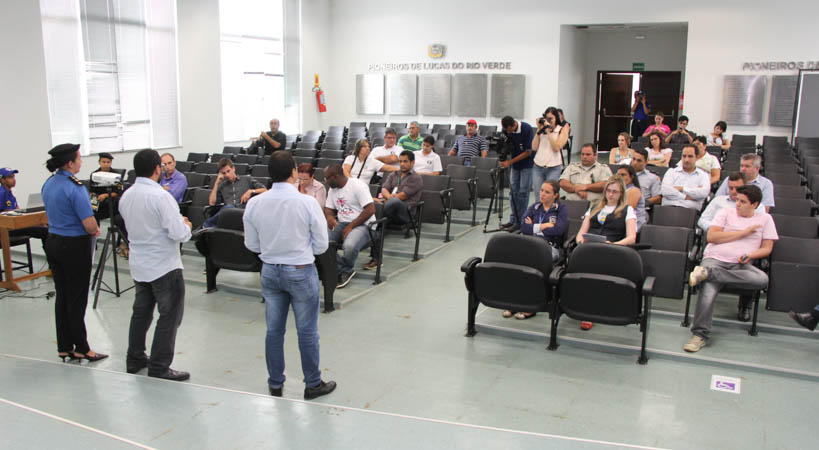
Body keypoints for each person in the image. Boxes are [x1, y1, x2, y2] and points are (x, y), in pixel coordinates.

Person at [243, 152, 336, 400]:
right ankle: (312, 384)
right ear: (294, 172)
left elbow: (252, 244)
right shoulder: (307, 203)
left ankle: (275, 383)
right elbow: (321, 245)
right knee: (307, 332)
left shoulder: (255, 203)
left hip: (270, 270)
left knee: (274, 331)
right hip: (300, 270)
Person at [119, 150, 192, 381]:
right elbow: (179, 233)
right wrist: (186, 225)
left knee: (141, 314)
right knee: (169, 316)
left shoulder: (127, 195)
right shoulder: (161, 197)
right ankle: (159, 366)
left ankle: (135, 358)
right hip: (163, 266)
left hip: (140, 264)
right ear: (157, 169)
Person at [684, 185, 777, 353]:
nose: (737, 204)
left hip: (741, 265)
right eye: (737, 200)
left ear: (755, 204)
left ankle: (708, 274)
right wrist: (743, 233)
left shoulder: (765, 219)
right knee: (707, 292)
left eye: (743, 202)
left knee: (762, 279)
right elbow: (712, 236)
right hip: (715, 259)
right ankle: (699, 335)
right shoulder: (725, 213)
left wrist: (751, 254)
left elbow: (767, 248)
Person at [41, 143, 107, 363]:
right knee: (77, 298)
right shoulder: (75, 187)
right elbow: (89, 224)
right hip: (74, 246)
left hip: (53, 241)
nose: (81, 162)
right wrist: (95, 229)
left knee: (63, 296)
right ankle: (82, 348)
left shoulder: (49, 183)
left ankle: (65, 346)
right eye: (79, 158)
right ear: (70, 163)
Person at [575, 176, 638, 330]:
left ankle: (590, 311)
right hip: (590, 248)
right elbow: (581, 233)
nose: (610, 194)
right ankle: (583, 307)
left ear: (621, 194)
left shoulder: (627, 210)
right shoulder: (594, 206)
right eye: (608, 191)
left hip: (612, 250)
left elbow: (631, 238)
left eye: (615, 192)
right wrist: (580, 242)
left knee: (596, 270)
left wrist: (614, 245)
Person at [503, 180, 567, 320]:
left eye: (547, 192)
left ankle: (530, 306)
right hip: (531, 245)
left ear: (555, 195)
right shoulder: (535, 207)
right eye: (542, 190)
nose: (542, 194)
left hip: (550, 248)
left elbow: (559, 230)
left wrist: (534, 227)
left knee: (531, 262)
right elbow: (524, 227)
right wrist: (544, 226)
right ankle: (514, 302)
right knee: (515, 260)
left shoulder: (561, 209)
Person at [323, 165, 376, 289]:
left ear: (335, 177)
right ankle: (343, 268)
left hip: (364, 224)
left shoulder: (358, 186)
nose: (325, 181)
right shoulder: (333, 189)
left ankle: (344, 270)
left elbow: (370, 209)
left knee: (349, 246)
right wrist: (330, 217)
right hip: (342, 223)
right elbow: (328, 208)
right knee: (321, 241)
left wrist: (351, 226)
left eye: (326, 178)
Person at [203, 158, 267, 228]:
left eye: (228, 171)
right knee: (228, 208)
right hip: (228, 216)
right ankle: (209, 227)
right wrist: (216, 183)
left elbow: (265, 190)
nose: (227, 175)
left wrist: (251, 191)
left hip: (242, 213)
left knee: (228, 208)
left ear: (233, 168)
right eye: (224, 173)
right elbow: (212, 203)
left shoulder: (246, 179)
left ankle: (206, 225)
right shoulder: (222, 186)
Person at [499, 116, 535, 232]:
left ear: (514, 125)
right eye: (507, 131)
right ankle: (513, 219)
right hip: (515, 165)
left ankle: (520, 221)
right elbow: (507, 144)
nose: (509, 133)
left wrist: (510, 162)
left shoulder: (527, 129)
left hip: (527, 165)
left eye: (510, 130)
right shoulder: (506, 130)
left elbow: (528, 151)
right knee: (513, 192)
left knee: (523, 193)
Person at [698, 172, 764, 231]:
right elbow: (702, 220)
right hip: (719, 235)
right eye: (731, 188)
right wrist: (716, 228)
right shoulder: (718, 200)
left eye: (737, 188)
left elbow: (760, 225)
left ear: (746, 186)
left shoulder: (755, 205)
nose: (733, 191)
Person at [0, 168, 48, 247]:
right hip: (7, 228)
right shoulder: (1, 193)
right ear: (2, 180)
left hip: (14, 225)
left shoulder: (10, 193)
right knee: (44, 231)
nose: (14, 179)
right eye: (10, 177)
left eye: (13, 177)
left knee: (44, 225)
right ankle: (51, 254)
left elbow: (16, 210)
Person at [661, 145, 711, 210]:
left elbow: (703, 193)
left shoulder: (703, 175)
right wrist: (685, 197)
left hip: (690, 212)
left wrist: (682, 189)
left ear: (697, 157)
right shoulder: (671, 172)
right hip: (668, 209)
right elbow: (665, 191)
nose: (686, 160)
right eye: (684, 156)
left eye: (690, 156)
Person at [532, 107, 570, 191]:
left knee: (550, 193)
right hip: (538, 166)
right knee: (539, 195)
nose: (549, 120)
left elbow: (556, 148)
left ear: (556, 118)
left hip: (553, 168)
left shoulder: (562, 130)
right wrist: (539, 129)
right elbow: (534, 147)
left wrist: (548, 132)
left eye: (551, 118)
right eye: (547, 118)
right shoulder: (542, 129)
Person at [89, 152, 123, 221]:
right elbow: (92, 190)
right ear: (99, 162)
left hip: (111, 198)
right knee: (92, 208)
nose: (106, 164)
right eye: (103, 162)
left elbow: (119, 191)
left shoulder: (116, 175)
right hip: (97, 197)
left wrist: (105, 195)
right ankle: (95, 226)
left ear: (111, 163)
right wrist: (93, 196)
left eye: (108, 162)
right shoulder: (94, 174)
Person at [616, 165, 646, 230]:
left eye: (623, 175)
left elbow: (625, 212)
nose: (619, 177)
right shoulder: (619, 190)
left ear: (632, 177)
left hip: (632, 227)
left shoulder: (634, 190)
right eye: (618, 174)